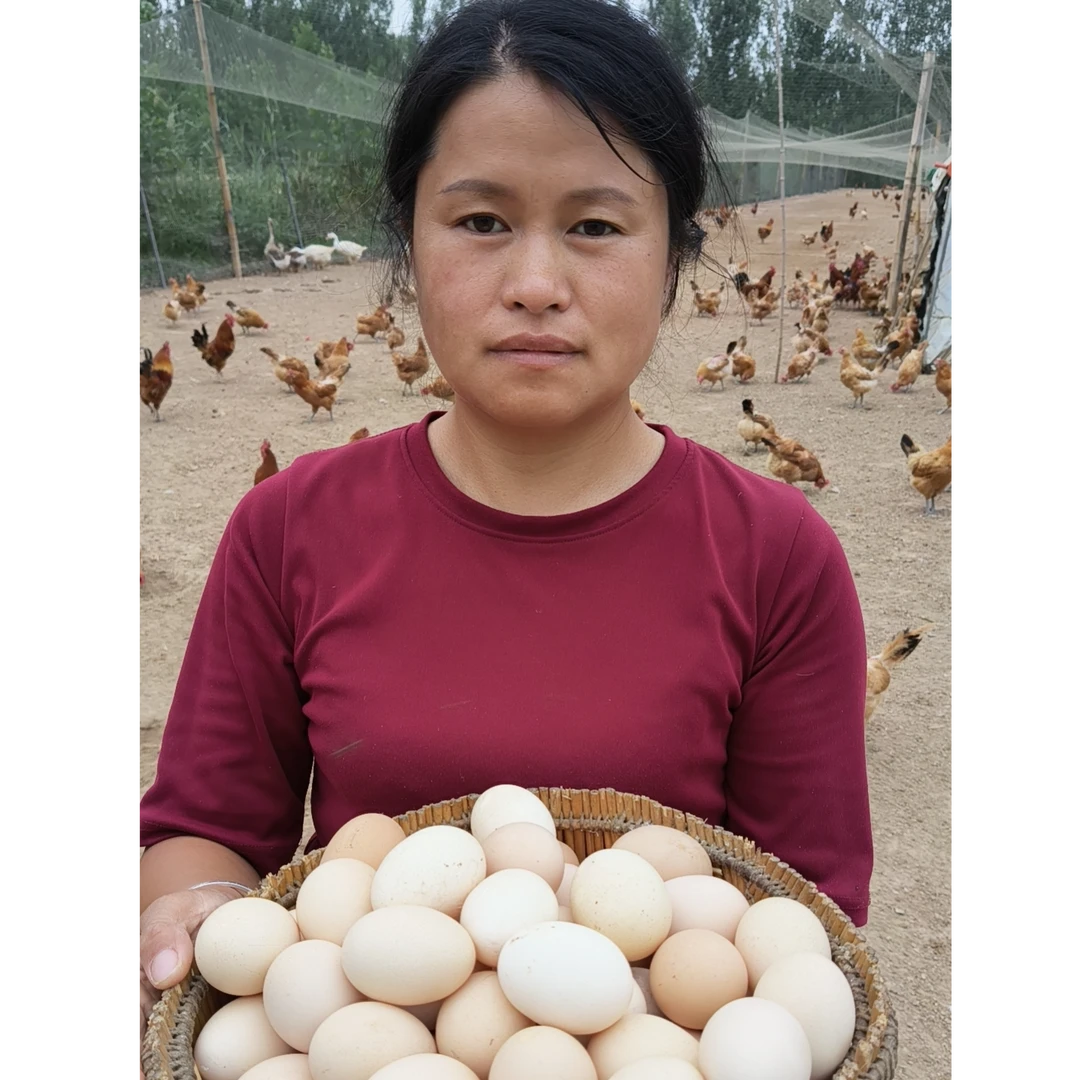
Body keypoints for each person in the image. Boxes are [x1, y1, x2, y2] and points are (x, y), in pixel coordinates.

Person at [135, 0, 873, 1070]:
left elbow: (799, 926)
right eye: (481, 222)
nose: (536, 284)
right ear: (409, 240)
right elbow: (202, 831)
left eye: (597, 224)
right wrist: (193, 907)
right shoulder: (290, 529)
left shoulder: (775, 554)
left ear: (675, 254)